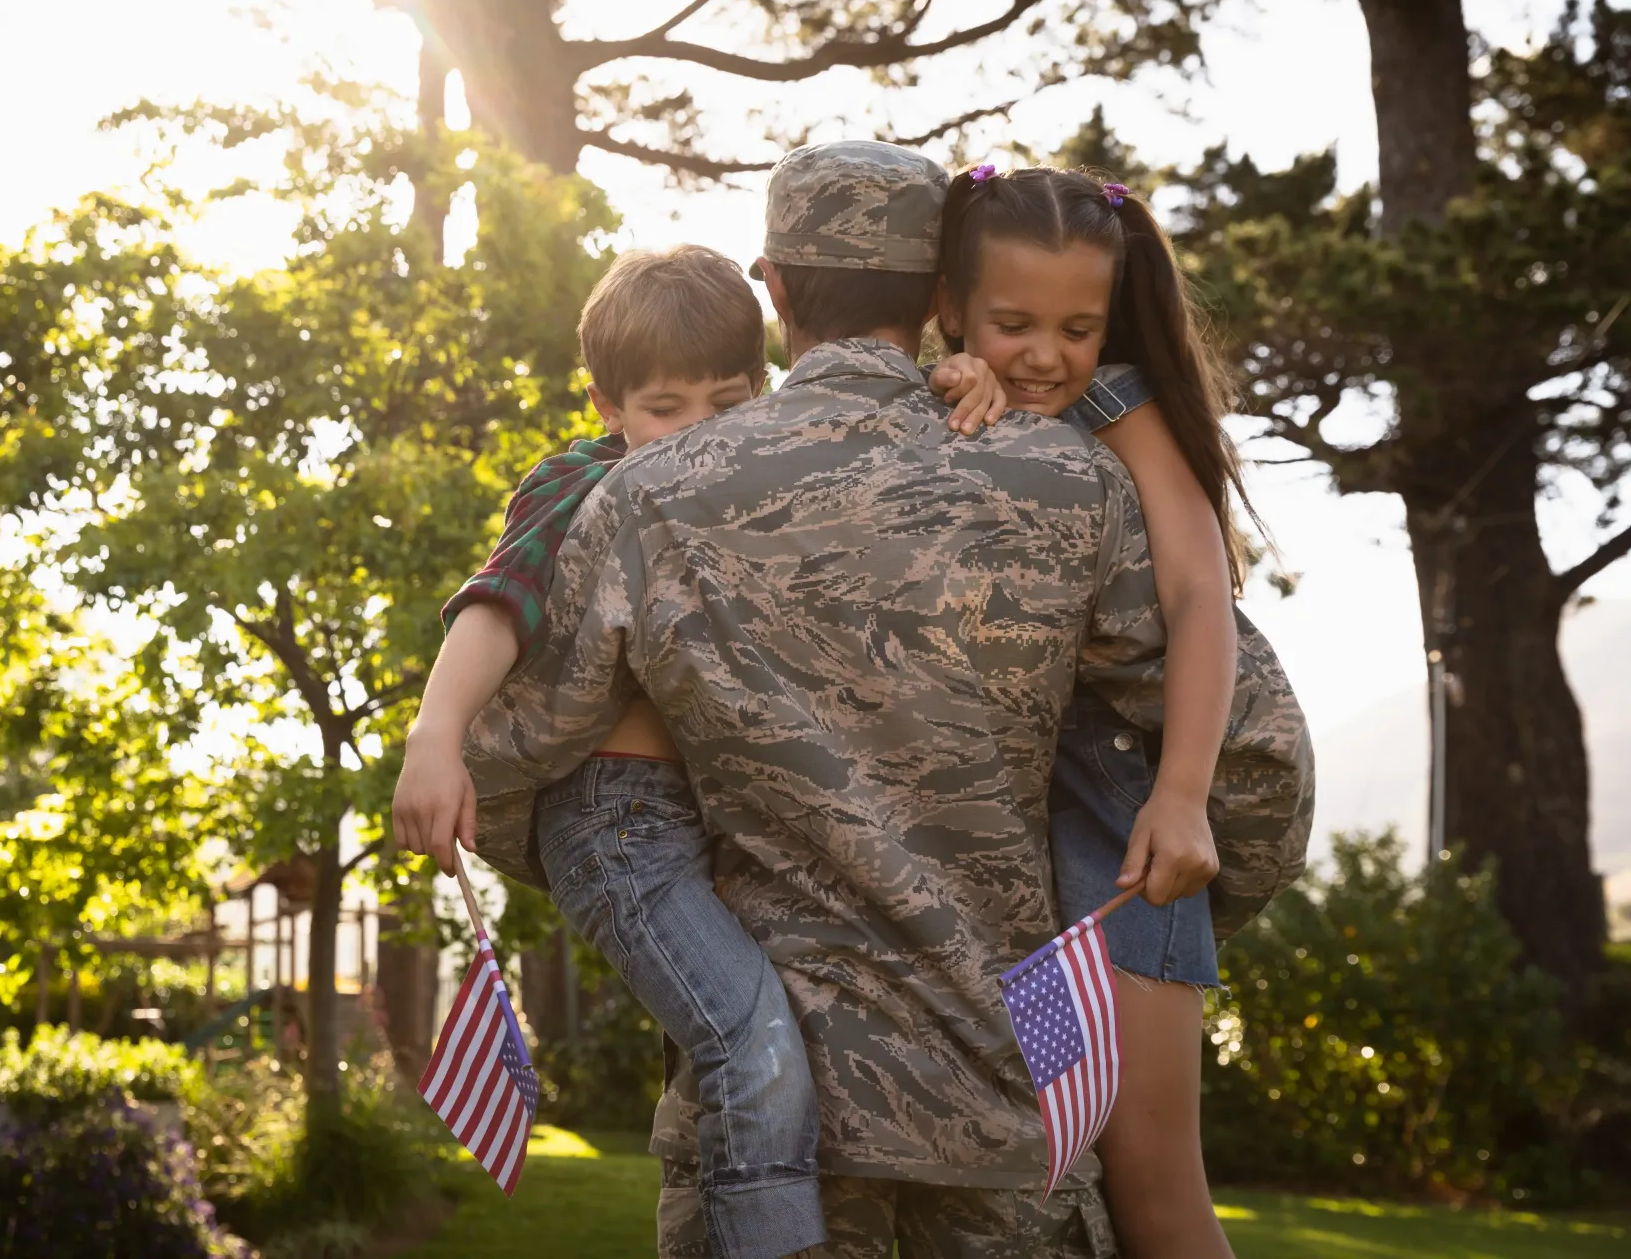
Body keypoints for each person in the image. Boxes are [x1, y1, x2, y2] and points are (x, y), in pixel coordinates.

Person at [455, 139, 1313, 1257]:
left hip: (770, 1147)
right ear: (940, 294)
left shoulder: (649, 496)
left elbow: (510, 754)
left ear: (771, 284)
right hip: (1007, 1117)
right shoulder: (1069, 479)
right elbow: (1261, 754)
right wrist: (1148, 900)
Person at [393, 243, 1005, 1259]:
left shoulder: (764, 479)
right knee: (751, 1044)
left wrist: (950, 376)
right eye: (666, 410)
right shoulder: (585, 480)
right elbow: (497, 606)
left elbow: (876, 474)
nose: (699, 432)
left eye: (728, 400)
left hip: (727, 822)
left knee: (769, 1043)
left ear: (762, 387)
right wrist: (435, 736)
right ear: (607, 406)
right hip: (618, 825)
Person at [930, 163, 1259, 1256]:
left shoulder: (1119, 411)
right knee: (1059, 1175)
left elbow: (1201, 592)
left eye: (1080, 326)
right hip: (1014, 846)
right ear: (952, 306)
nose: (1047, 356)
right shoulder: (935, 396)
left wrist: (1183, 796)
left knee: (1152, 1184)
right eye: (1012, 323)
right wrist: (948, 380)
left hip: (1123, 839)